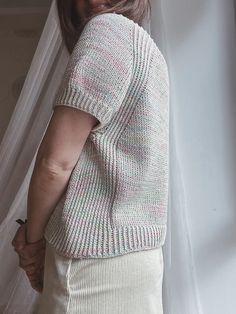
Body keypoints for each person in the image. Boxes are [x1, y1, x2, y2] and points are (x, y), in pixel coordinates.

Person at [12, 0, 170, 313]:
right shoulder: (150, 52)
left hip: (92, 262)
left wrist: (33, 242)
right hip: (141, 256)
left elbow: (55, 164)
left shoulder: (106, 30)